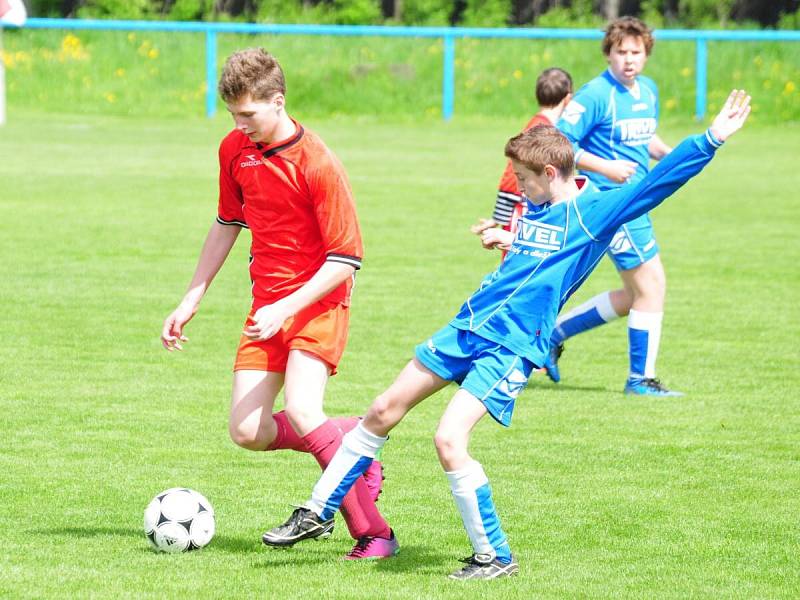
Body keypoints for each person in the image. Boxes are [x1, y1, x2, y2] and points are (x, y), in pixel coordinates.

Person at [261, 91, 751, 579]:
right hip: (469, 326)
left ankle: (494, 556)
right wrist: (509, 236)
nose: (518, 186)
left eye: (523, 179)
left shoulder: (593, 212)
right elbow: (539, 251)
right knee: (382, 409)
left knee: (449, 440)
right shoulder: (536, 210)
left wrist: (711, 139)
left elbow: (661, 182)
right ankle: (317, 511)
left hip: (512, 346)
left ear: (552, 175)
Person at [160, 48, 398, 559]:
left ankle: (374, 534)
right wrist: (190, 298)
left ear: (278, 101)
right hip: (267, 306)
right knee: (247, 431)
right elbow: (227, 224)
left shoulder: (318, 162)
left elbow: (346, 259)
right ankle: (351, 442)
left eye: (248, 113)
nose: (240, 124)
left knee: (306, 409)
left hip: (319, 302)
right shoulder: (234, 150)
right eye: (233, 115)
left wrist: (288, 305)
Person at [545, 17, 681, 396]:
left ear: (646, 54)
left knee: (633, 296)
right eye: (621, 52)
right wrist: (605, 167)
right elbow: (559, 142)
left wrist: (666, 154)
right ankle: (641, 379)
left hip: (637, 200)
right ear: (608, 53)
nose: (628, 59)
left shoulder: (647, 90)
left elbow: (644, 136)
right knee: (652, 287)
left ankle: (555, 334)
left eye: (636, 52)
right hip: (613, 205)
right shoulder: (595, 95)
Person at [472, 67, 573, 242]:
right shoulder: (540, 131)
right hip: (521, 210)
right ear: (568, 99)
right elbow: (511, 176)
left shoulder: (544, 127)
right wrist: (499, 217)